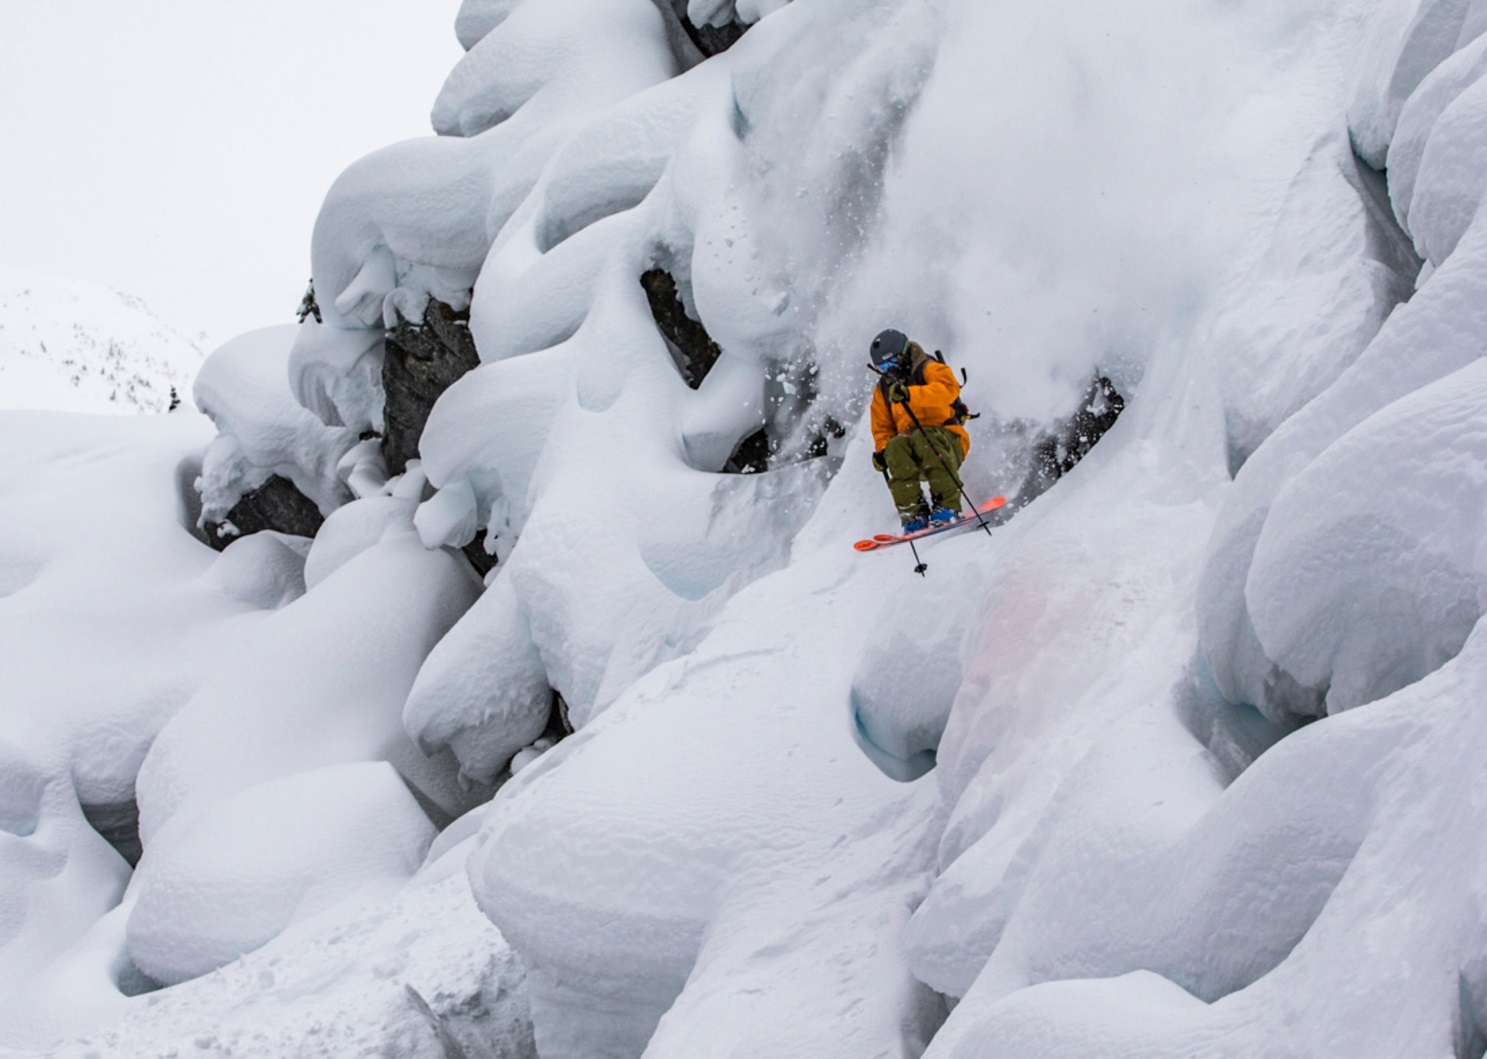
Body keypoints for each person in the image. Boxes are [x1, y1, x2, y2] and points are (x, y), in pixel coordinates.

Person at [868, 328, 971, 532]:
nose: (889, 370)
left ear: (904, 354)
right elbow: (882, 428)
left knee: (924, 436)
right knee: (895, 445)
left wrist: (910, 395)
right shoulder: (884, 390)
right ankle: (912, 513)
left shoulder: (929, 367)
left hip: (947, 444)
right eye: (883, 367)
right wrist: (882, 451)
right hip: (915, 454)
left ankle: (948, 505)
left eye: (892, 363)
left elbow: (948, 389)